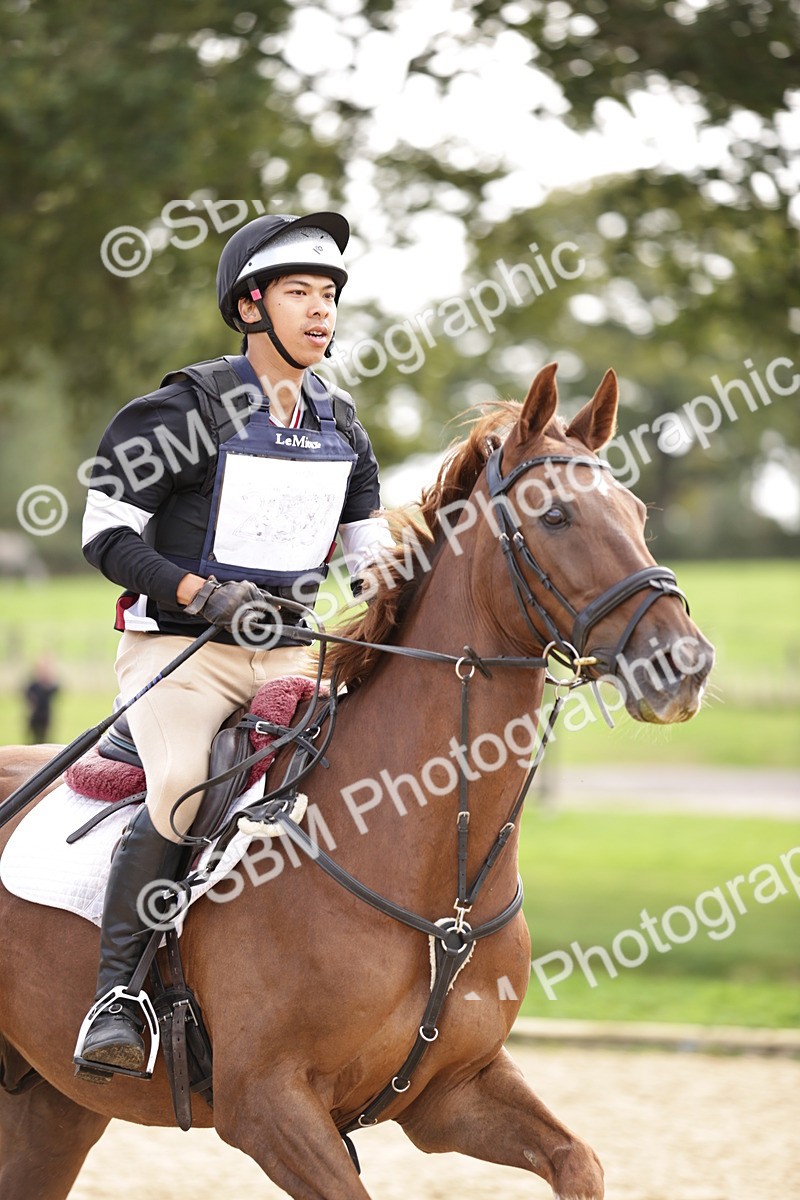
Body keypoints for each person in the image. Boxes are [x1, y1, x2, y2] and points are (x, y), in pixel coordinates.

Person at [76, 211, 393, 1078]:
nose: (321, 312)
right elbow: (104, 535)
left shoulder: (342, 425)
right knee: (183, 791)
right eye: (300, 293)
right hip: (180, 655)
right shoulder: (182, 409)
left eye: (328, 296)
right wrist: (202, 594)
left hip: (293, 654)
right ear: (250, 305)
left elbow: (373, 562)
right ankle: (117, 996)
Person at [22, 657, 59, 743]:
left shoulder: (49, 686)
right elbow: (27, 694)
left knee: (44, 738)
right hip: (35, 716)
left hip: (45, 716)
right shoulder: (34, 685)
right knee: (34, 739)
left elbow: (57, 690)